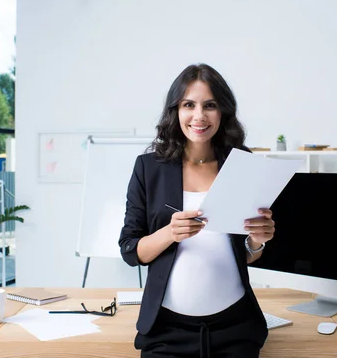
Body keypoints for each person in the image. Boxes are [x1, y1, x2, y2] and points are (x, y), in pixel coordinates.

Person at [118, 63, 275, 358]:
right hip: (166, 332)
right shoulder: (149, 168)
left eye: (210, 105)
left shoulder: (241, 165)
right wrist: (169, 233)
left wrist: (257, 241)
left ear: (223, 112)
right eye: (189, 104)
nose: (199, 116)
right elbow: (130, 250)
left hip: (236, 329)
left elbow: (248, 255)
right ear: (175, 110)